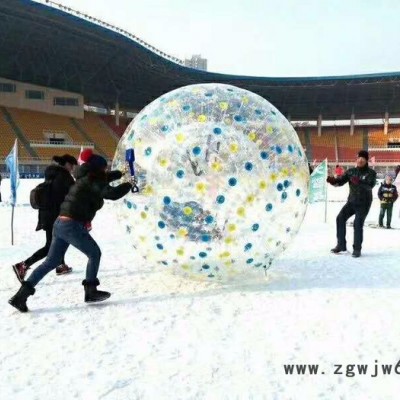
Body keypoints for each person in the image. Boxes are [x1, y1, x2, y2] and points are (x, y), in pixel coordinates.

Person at [8, 149, 133, 312]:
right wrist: (129, 184)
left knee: (50, 262)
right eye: (104, 168)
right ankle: (90, 291)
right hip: (72, 225)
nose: (106, 170)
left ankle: (20, 297)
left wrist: (121, 173)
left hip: (60, 223)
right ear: (98, 168)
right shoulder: (93, 180)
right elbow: (111, 193)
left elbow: (106, 177)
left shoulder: (85, 177)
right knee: (94, 253)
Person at [12, 155, 78, 282]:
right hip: (55, 216)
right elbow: (75, 194)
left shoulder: (52, 174)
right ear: (66, 164)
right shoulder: (65, 177)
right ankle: (23, 265)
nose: (72, 168)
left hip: (46, 215)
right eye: (71, 165)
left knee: (59, 241)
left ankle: (60, 265)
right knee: (50, 246)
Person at [327, 150, 377, 257]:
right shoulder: (351, 172)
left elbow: (370, 186)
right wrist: (331, 180)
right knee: (340, 218)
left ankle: (357, 249)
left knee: (357, 224)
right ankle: (341, 245)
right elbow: (340, 181)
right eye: (358, 158)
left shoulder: (371, 173)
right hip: (352, 202)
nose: (360, 160)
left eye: (362, 158)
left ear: (366, 160)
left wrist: (359, 182)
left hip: (364, 203)